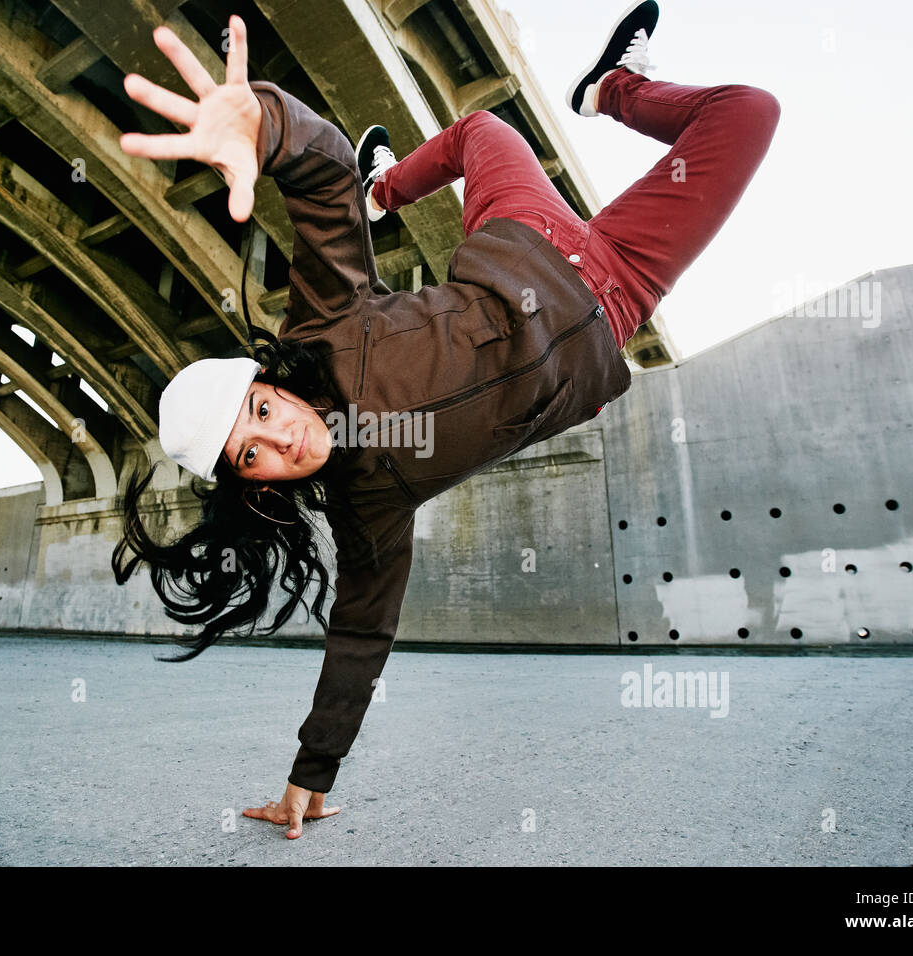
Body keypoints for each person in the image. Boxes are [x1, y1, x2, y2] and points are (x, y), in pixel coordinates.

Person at [111, 1, 778, 839]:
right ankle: (589, 95)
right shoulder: (367, 508)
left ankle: (568, 107)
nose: (279, 439)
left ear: (270, 382)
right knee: (750, 112)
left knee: (479, 131)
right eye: (252, 456)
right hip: (617, 294)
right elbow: (360, 634)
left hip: (520, 236)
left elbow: (320, 179)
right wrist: (307, 778)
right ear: (253, 485)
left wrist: (265, 124)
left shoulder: (323, 326)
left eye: (260, 411)